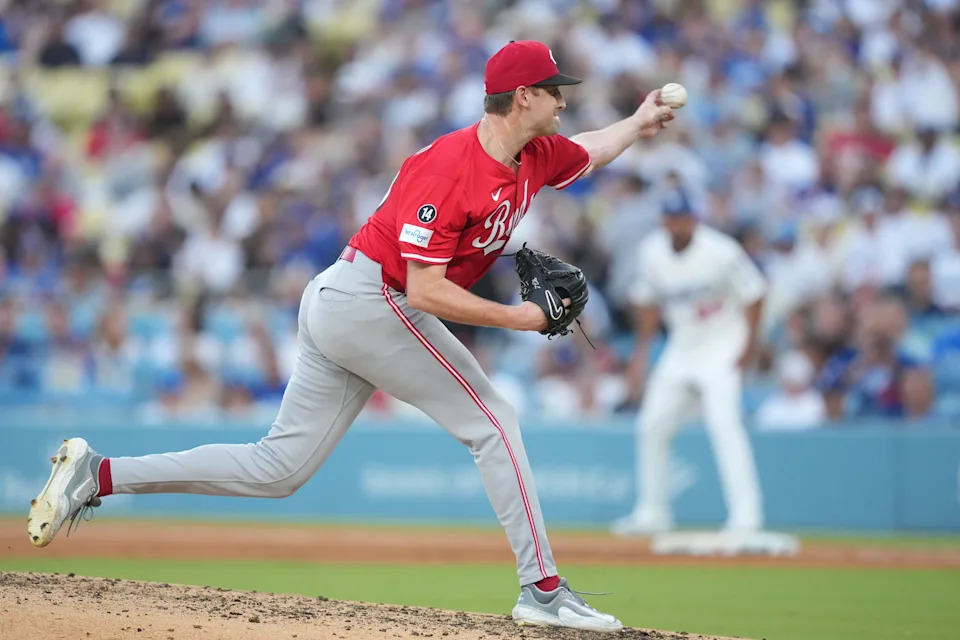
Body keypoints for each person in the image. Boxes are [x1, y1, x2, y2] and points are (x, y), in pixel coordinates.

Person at [28, 40, 674, 633]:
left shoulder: (532, 155)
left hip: (352, 302)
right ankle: (543, 590)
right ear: (524, 97)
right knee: (495, 421)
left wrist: (639, 124)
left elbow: (589, 150)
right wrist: (522, 320)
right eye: (554, 88)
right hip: (372, 299)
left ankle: (99, 474)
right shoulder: (451, 167)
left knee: (277, 469)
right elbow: (424, 292)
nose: (565, 98)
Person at [612, 188, 767, 537]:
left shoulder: (721, 250)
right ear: (663, 220)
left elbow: (755, 294)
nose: (678, 225)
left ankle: (747, 516)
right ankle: (653, 512)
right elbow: (648, 303)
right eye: (671, 218)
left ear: (694, 219)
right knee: (652, 425)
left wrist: (747, 349)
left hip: (723, 342)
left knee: (724, 424)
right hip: (682, 346)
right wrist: (641, 354)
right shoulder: (652, 252)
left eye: (683, 218)